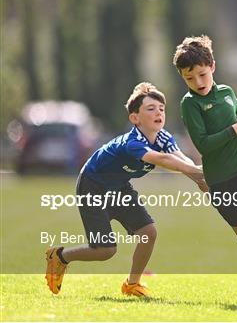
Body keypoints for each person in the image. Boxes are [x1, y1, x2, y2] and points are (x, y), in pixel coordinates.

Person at [45, 82, 207, 297]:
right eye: (151, 109)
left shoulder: (163, 137)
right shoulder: (132, 143)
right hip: (92, 186)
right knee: (105, 250)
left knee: (148, 232)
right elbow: (164, 159)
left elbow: (180, 158)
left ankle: (132, 284)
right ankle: (60, 256)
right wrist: (197, 173)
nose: (158, 112)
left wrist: (198, 175)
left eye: (161, 109)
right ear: (134, 118)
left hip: (119, 186)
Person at [174, 35, 237, 304]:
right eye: (190, 78)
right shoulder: (189, 104)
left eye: (202, 74)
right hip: (218, 180)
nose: (198, 82)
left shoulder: (227, 93)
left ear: (213, 67)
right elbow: (204, 146)